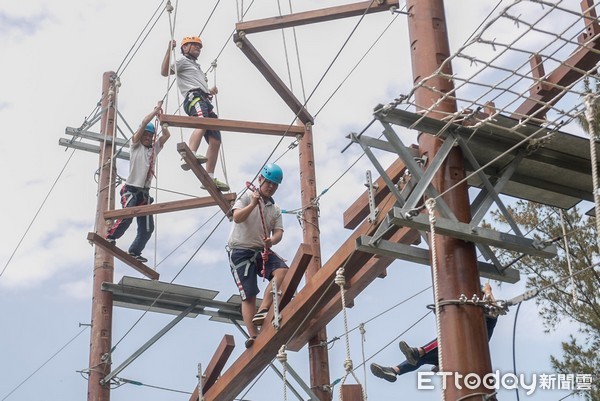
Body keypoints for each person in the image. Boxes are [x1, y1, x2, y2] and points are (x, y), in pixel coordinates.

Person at [370, 283, 499, 383]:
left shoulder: (487, 317)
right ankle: (395, 370)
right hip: (458, 353)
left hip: (468, 351)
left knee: (447, 338)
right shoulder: (468, 319)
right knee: (422, 358)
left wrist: (488, 291)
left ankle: (418, 351)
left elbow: (494, 307)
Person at [227, 163, 288, 348]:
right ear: (260, 179)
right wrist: (253, 204)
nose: (271, 187)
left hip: (261, 250)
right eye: (268, 182)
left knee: (283, 272)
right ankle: (253, 335)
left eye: (274, 184)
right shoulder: (246, 196)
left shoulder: (275, 209)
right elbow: (237, 217)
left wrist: (272, 241)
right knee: (249, 294)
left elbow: (278, 232)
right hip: (240, 251)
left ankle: (263, 310)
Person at [160, 35, 229, 192]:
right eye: (195, 45)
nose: (198, 48)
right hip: (194, 97)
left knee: (216, 140)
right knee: (202, 121)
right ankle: (189, 152)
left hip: (203, 98)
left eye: (199, 46)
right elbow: (164, 72)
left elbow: (196, 82)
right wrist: (168, 50)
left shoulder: (196, 66)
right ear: (185, 48)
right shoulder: (182, 60)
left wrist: (209, 91)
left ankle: (209, 176)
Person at [106, 101, 171, 263]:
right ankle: (111, 236)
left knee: (148, 228)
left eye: (150, 136)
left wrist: (162, 121)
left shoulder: (153, 149)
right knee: (129, 212)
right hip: (131, 189)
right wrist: (154, 111)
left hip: (144, 193)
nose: (148, 138)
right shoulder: (135, 146)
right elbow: (143, 124)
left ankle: (135, 250)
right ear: (141, 136)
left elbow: (166, 136)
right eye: (146, 136)